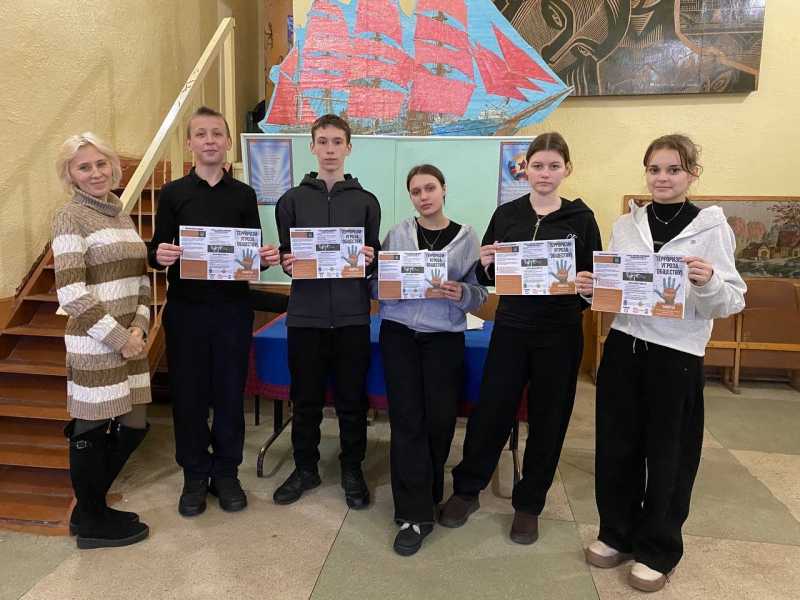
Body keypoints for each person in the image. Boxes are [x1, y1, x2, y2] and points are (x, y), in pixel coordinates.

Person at [581, 135, 746, 592]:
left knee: (670, 454)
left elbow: (731, 300)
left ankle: (658, 548)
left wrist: (709, 281)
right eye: (654, 169)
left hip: (678, 354)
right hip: (624, 345)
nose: (662, 178)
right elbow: (616, 291)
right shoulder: (626, 225)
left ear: (692, 173)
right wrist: (591, 289)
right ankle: (616, 532)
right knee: (616, 446)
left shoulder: (711, 228)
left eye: (673, 169)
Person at [439, 133, 602, 545]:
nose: (545, 173)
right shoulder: (507, 214)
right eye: (537, 165)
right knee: (491, 412)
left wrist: (588, 286)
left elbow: (595, 284)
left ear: (567, 169)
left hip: (560, 332)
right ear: (524, 169)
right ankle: (467, 490)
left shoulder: (582, 219)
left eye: (553, 166)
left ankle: (529, 504)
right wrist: (486, 263)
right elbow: (489, 276)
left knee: (549, 419)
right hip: (511, 328)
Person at [149, 106, 280, 517]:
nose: (210, 140)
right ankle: (194, 474)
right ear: (190, 143)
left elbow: (250, 256)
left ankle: (226, 472)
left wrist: (265, 259)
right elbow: (156, 250)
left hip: (232, 310)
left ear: (227, 143)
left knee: (228, 392)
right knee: (188, 394)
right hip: (186, 309)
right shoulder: (173, 193)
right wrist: (158, 255)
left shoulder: (243, 195)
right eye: (201, 134)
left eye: (217, 133)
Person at [373, 165, 487, 556]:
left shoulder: (467, 237)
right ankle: (413, 514)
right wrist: (391, 287)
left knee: (439, 421)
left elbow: (480, 294)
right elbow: (375, 285)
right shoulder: (397, 234)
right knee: (407, 420)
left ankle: (429, 491)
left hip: (444, 337)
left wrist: (462, 294)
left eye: (430, 188)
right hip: (399, 333)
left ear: (443, 190)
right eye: (416, 191)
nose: (424, 196)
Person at [272, 114, 380, 509]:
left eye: (337, 142)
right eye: (323, 141)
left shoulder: (366, 202)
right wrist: (287, 264)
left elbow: (373, 259)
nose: (330, 149)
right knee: (305, 401)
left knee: (352, 402)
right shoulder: (291, 201)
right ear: (312, 146)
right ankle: (305, 468)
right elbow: (288, 256)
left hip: (353, 318)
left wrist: (371, 260)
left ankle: (352, 468)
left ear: (348, 147)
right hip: (305, 317)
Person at [52, 133, 152, 549]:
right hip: (95, 346)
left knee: (135, 423)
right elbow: (71, 292)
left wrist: (139, 328)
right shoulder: (69, 218)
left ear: (113, 166)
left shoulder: (120, 213)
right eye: (84, 167)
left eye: (101, 163)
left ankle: (88, 509)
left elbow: (141, 279)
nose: (95, 173)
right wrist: (117, 338)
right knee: (92, 425)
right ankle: (93, 521)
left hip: (131, 341)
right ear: (70, 175)